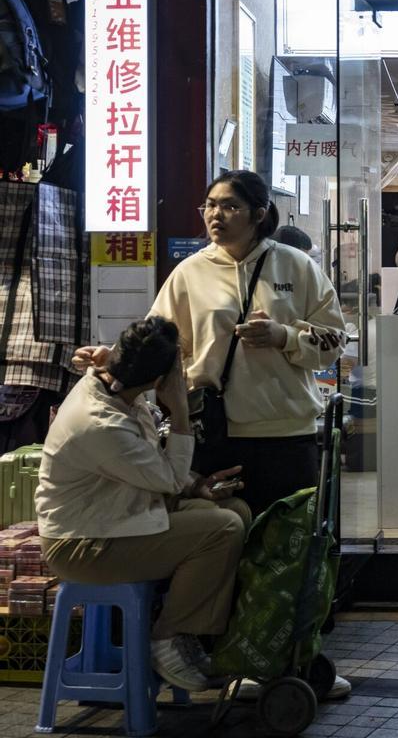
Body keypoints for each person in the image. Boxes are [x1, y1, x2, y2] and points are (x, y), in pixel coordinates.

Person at [74, 170, 347, 519]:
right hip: (215, 432)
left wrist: (284, 336)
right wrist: (113, 357)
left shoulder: (297, 266)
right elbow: (159, 338)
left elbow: (335, 339)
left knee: (286, 545)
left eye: (230, 206)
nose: (215, 215)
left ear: (259, 213)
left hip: (288, 434)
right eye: (210, 205)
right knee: (227, 539)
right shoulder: (190, 271)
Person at [39, 318, 248, 693]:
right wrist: (180, 410)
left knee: (235, 511)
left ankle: (191, 634)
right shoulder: (100, 423)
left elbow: (152, 468)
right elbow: (165, 477)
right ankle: (167, 638)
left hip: (116, 516)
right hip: (82, 544)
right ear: (158, 381)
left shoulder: (115, 390)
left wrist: (198, 486)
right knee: (223, 529)